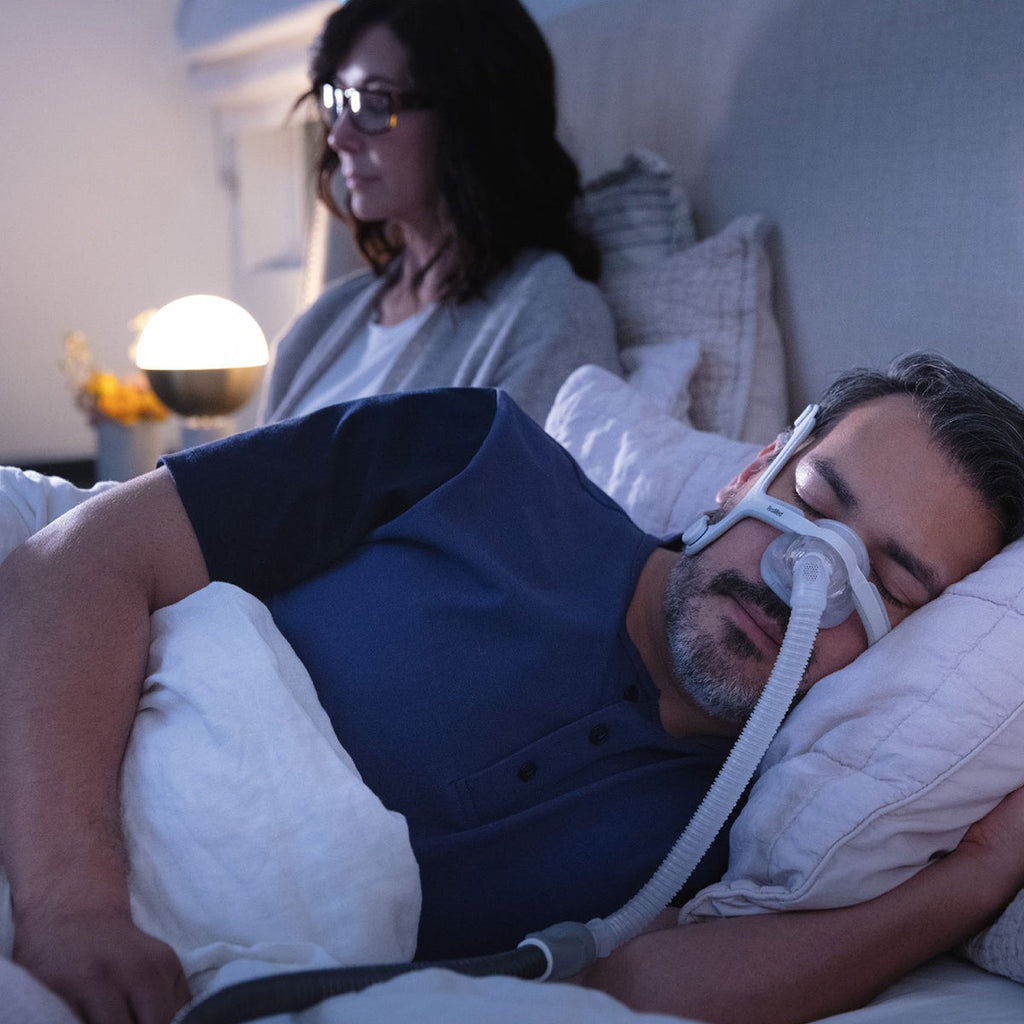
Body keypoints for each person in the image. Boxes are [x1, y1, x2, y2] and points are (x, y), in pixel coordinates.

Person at [2, 352, 1024, 1024]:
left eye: (888, 584)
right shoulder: (476, 459)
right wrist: (71, 905)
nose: (803, 577)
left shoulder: (745, 831)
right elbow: (78, 559)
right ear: (752, 470)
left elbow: (637, 994)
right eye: (811, 501)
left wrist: (970, 883)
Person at [257, 0, 620, 428]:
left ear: (468, 117)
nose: (339, 137)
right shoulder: (319, 324)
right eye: (340, 99)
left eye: (374, 102)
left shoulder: (550, 313)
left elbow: (521, 471)